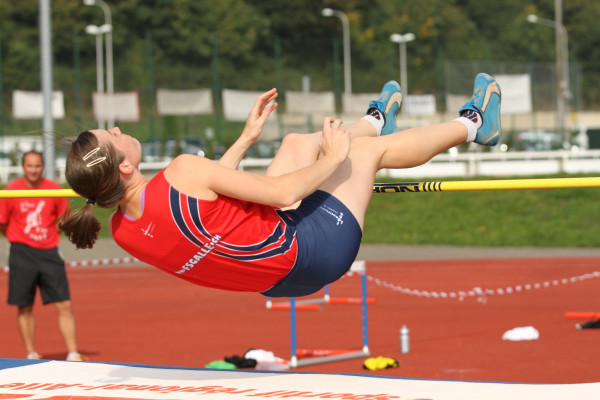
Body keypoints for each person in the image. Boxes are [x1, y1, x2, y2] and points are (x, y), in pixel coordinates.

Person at [60, 73, 501, 298]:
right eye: (112, 136)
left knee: (295, 143)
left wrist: (246, 139)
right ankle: (475, 124)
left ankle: (374, 120)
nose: (117, 129)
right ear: (123, 167)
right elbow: (286, 195)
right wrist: (334, 158)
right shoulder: (180, 170)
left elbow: (206, 205)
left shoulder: (122, 230)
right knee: (365, 154)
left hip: (274, 280)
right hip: (313, 252)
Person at [0, 151, 87, 360]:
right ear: (23, 167)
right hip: (21, 252)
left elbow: (63, 219)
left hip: (49, 252)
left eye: (37, 166)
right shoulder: (10, 191)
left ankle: (73, 352)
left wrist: (48, 234)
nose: (33, 170)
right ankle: (31, 353)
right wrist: (17, 236)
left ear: (43, 167)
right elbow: (2, 222)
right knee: (24, 306)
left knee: (64, 303)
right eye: (30, 166)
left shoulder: (54, 189)